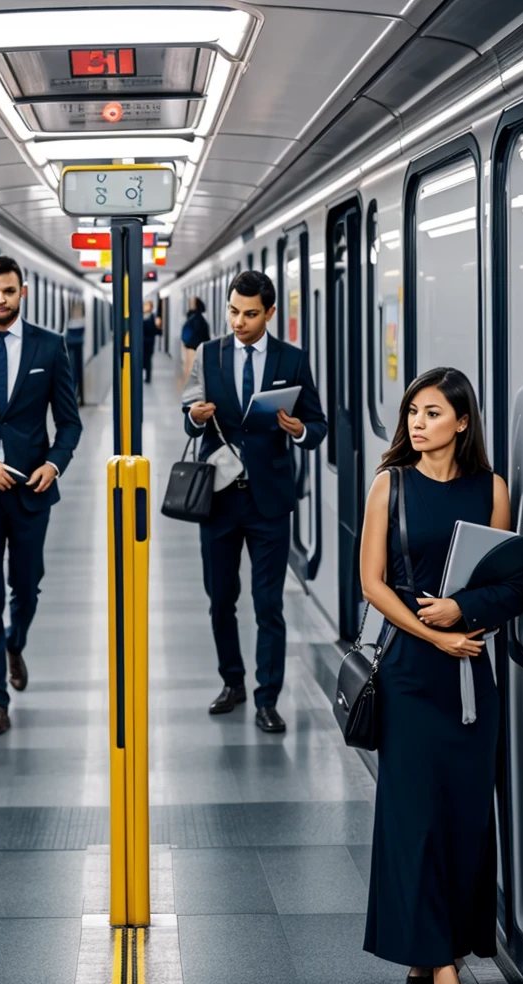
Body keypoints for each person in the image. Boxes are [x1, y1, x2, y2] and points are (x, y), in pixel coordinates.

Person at [360, 367, 523, 984]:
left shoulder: (491, 489)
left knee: (462, 817)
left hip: (470, 677)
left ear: (462, 422)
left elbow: (511, 584)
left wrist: (463, 613)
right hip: (410, 672)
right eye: (413, 413)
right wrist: (435, 636)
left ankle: (437, 948)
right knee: (413, 818)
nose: (417, 424)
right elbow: (372, 584)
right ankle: (439, 962)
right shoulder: (389, 485)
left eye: (432, 413)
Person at [181, 270, 327, 733]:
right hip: (218, 499)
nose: (238, 321)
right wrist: (196, 418)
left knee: (268, 604)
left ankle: (268, 698)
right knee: (221, 599)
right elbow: (189, 417)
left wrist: (298, 430)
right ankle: (233, 681)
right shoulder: (209, 354)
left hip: (269, 501)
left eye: (249, 314)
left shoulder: (293, 359)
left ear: (269, 313)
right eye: (232, 311)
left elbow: (317, 425)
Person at [0, 256, 83, 737]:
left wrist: (52, 464)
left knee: (27, 587)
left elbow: (70, 423)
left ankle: (15, 643)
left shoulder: (49, 346)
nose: (0, 299)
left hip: (33, 492)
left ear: (23, 292)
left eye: (9, 291)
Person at [181, 296, 210, 382]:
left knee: (190, 368)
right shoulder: (199, 318)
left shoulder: (195, 318)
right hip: (194, 346)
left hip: (192, 347)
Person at [65, 301, 85, 404]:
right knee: (75, 371)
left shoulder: (73, 322)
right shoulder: (81, 321)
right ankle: (77, 396)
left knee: (73, 371)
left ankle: (76, 396)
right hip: (76, 347)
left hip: (72, 347)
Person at [142, 300, 162, 383]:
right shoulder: (140, 316)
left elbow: (158, 332)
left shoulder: (154, 318)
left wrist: (158, 326)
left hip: (149, 343)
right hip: (141, 343)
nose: (145, 307)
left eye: (147, 306)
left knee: (148, 360)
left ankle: (148, 377)